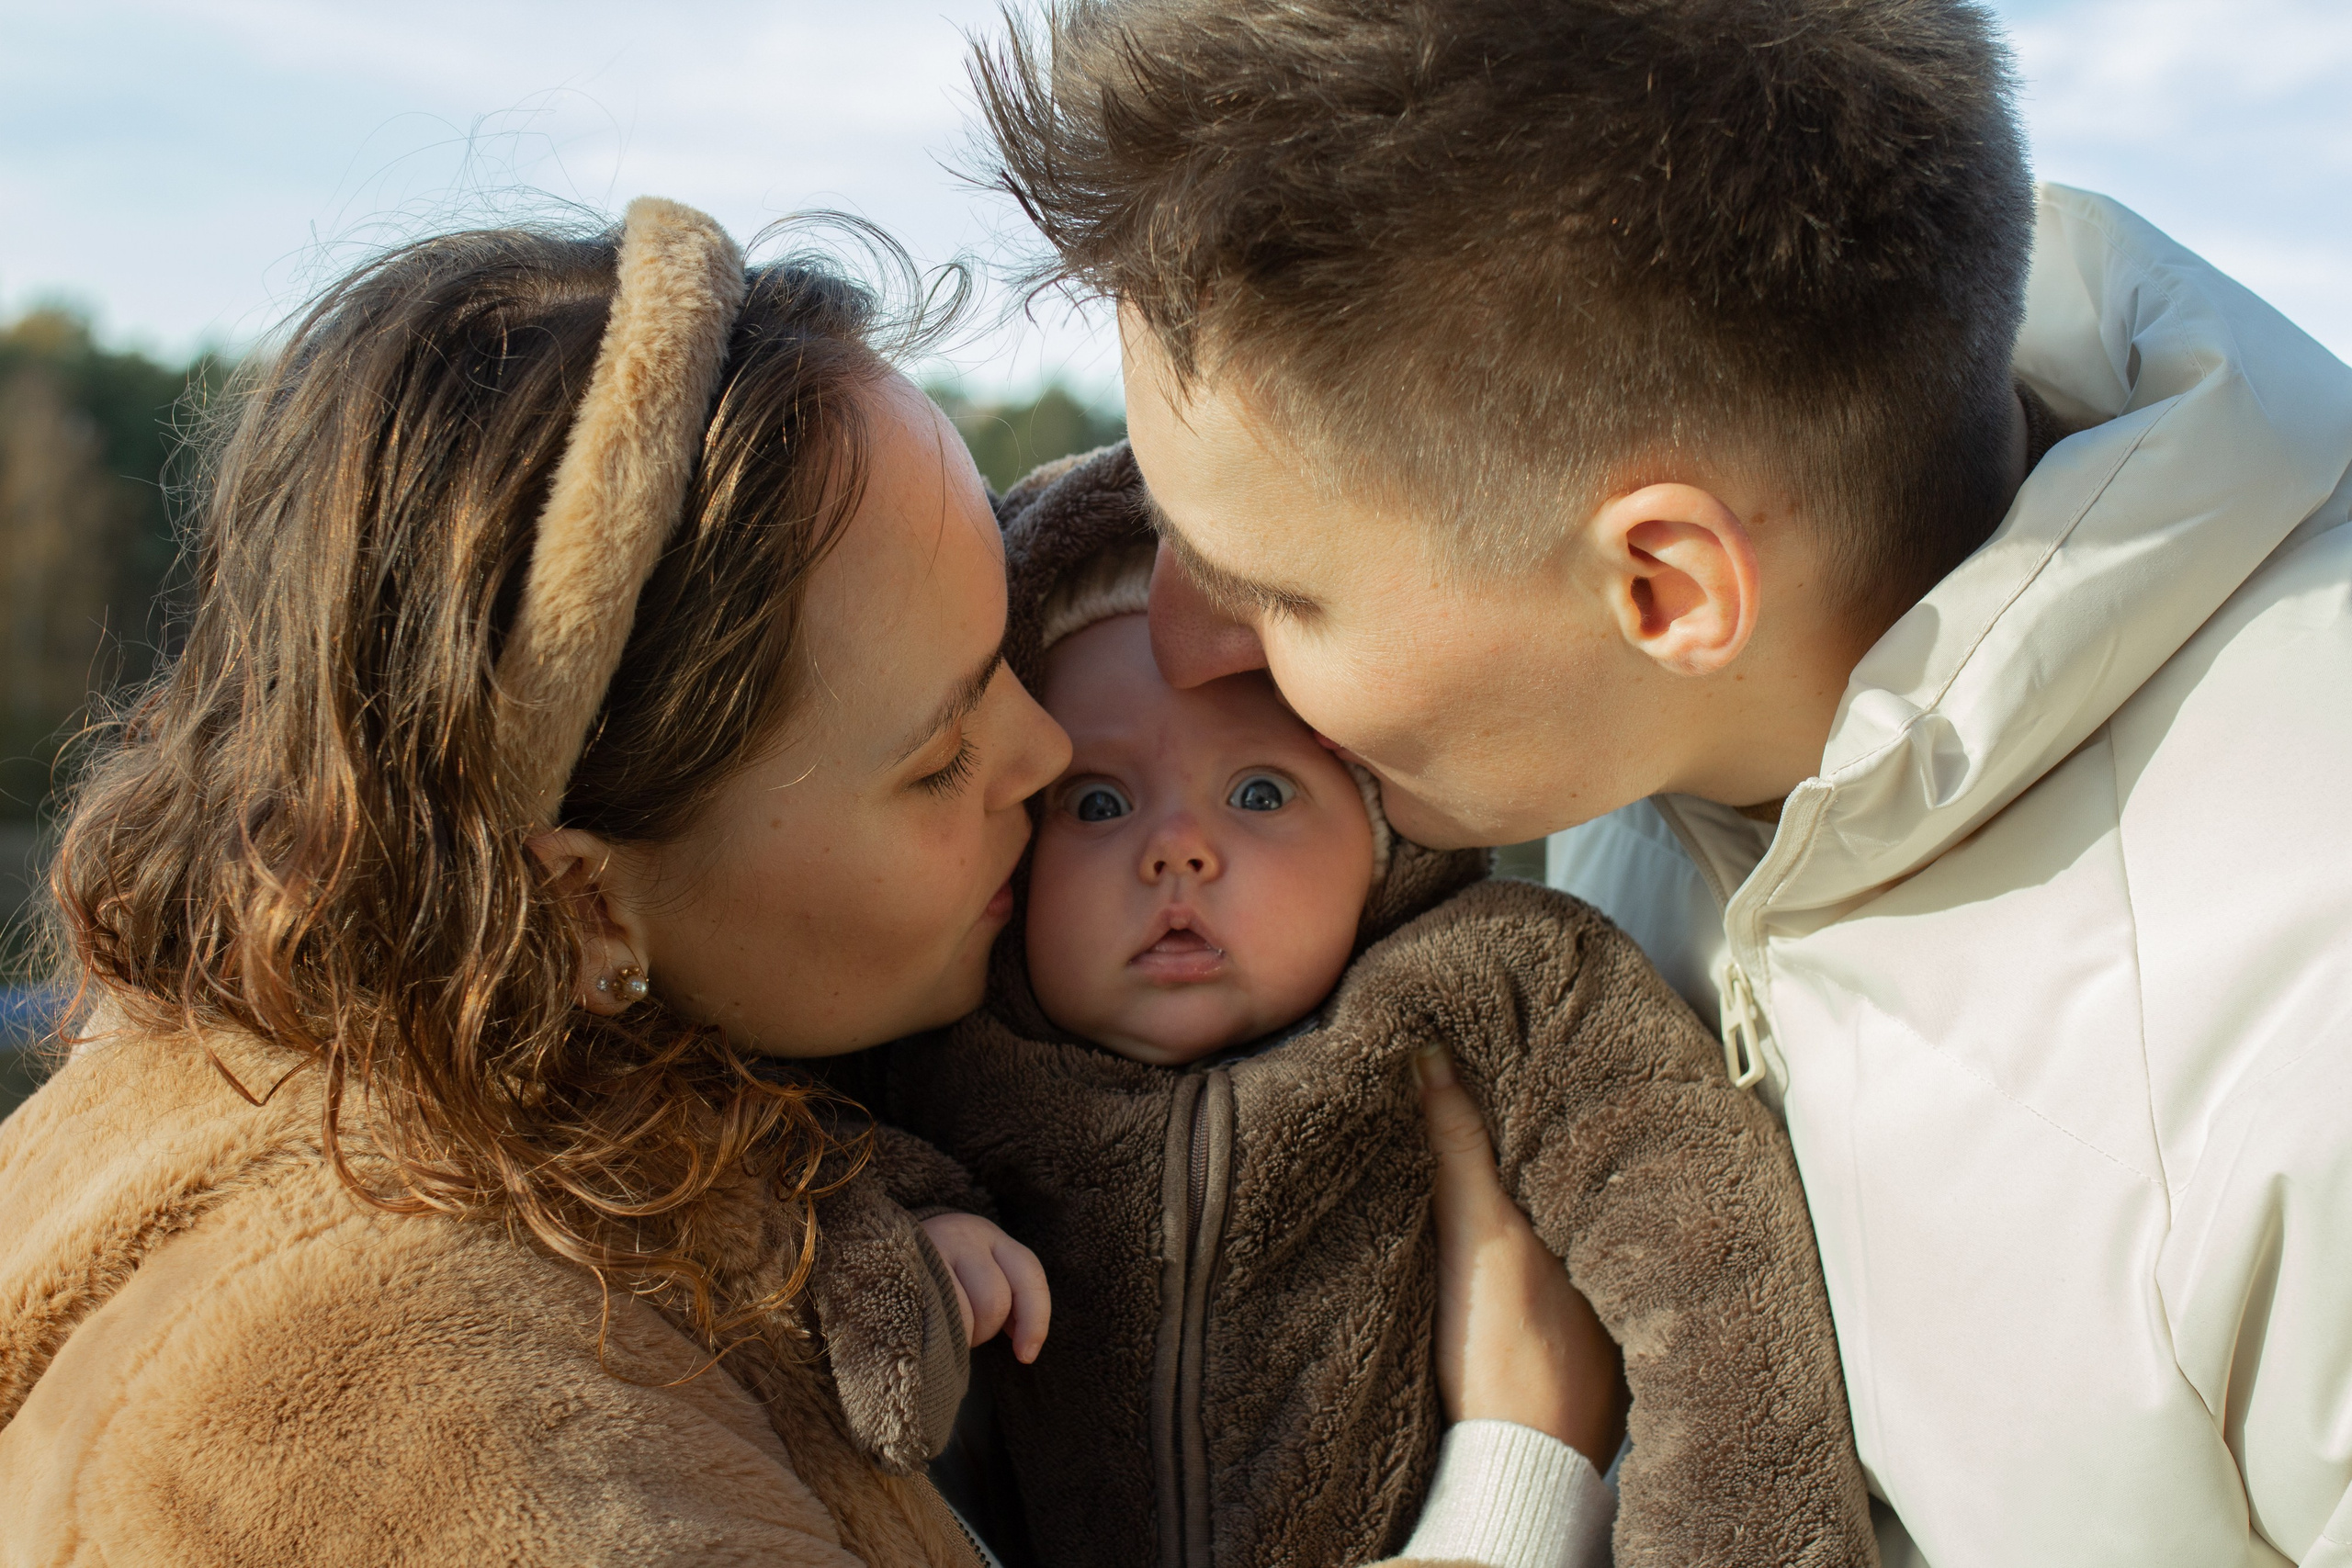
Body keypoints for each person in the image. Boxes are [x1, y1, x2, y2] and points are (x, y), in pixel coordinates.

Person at [0, 198, 1623, 1567]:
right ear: (584, 906)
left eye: (1010, 652)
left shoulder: (595, 1084)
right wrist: (1518, 1466)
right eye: (938, 754)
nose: (1050, 749)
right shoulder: (412, 1418)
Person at [975, 2, 2352, 1564]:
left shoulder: (2303, 1048)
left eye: (1279, 593)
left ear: (1666, 591)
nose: (1178, 643)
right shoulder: (1640, 726)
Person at [881, 455, 1871, 1568]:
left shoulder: (1500, 989)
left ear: (1381, 832)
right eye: (1097, 802)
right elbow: (797, 1167)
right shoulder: (942, 1060)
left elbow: (1711, 1263)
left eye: (1260, 792)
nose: (1177, 849)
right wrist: (898, 1224)